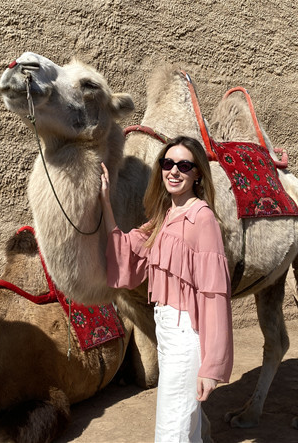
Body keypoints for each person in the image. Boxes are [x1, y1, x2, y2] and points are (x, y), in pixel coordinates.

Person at [99, 135, 233, 443]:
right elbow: (126, 249)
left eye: (184, 165)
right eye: (167, 163)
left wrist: (211, 367)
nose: (174, 171)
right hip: (167, 332)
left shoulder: (202, 218)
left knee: (172, 430)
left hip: (187, 336)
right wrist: (106, 202)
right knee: (185, 427)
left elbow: (214, 295)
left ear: (197, 174)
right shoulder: (164, 217)